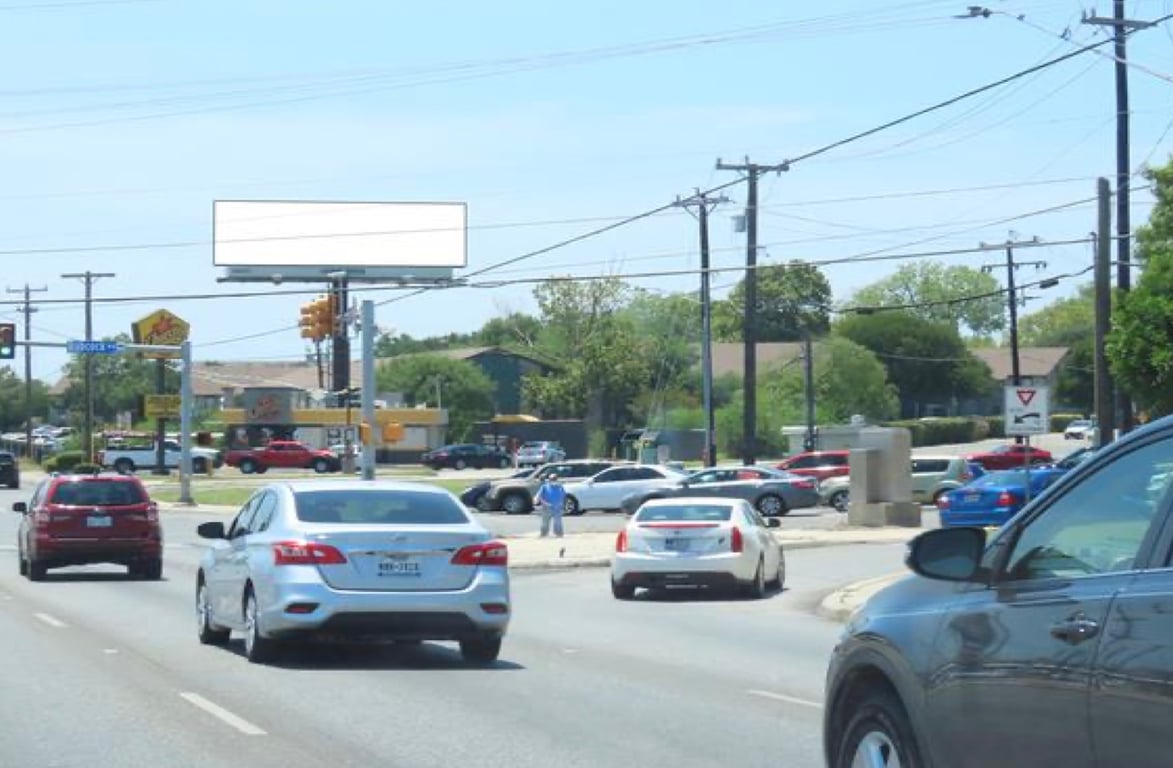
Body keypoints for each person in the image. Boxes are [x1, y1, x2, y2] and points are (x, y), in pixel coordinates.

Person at [534, 472, 566, 538]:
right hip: (547, 507)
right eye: (552, 479)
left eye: (554, 479)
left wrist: (561, 504)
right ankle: (544, 534)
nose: (553, 480)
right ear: (549, 480)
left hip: (557, 508)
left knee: (558, 522)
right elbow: (539, 495)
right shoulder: (544, 487)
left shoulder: (560, 487)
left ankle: (559, 534)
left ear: (557, 479)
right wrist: (538, 500)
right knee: (545, 523)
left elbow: (563, 496)